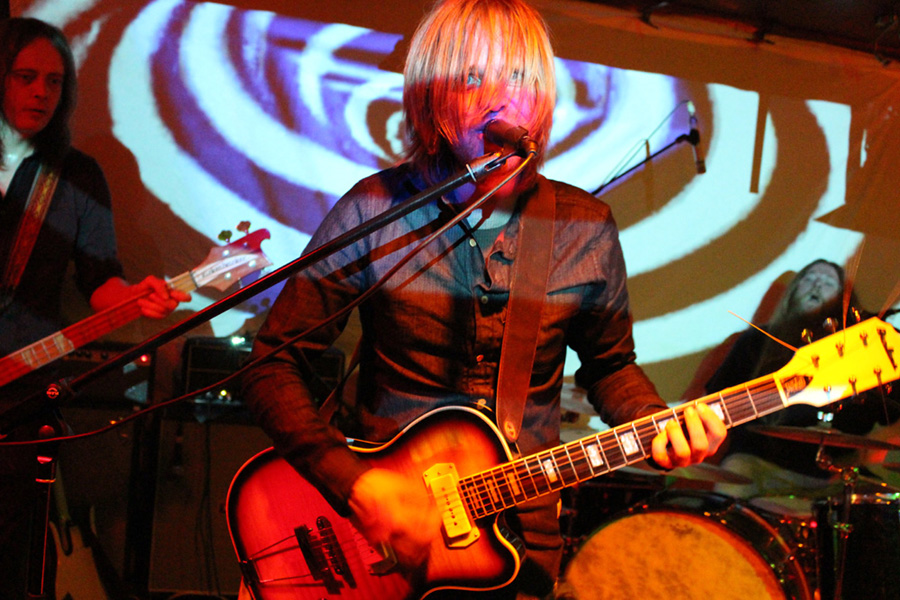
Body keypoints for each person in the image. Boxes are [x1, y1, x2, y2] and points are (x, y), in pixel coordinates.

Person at [241, 1, 726, 598]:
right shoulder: (373, 210)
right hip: (386, 541)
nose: (499, 100)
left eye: (518, 77)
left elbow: (611, 367)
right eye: (473, 78)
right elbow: (272, 363)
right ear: (432, 96)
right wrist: (352, 483)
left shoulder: (583, 225)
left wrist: (659, 425)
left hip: (523, 544)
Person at [0, 17, 190, 598]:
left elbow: (99, 280)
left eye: (54, 82)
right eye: (26, 77)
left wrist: (137, 298)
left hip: (22, 393)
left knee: (12, 552)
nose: (41, 92)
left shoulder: (76, 176)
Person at [705, 259, 900, 499]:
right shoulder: (754, 342)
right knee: (732, 482)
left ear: (843, 300)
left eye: (828, 282)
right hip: (754, 466)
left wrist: (873, 447)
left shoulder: (864, 352)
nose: (816, 285)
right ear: (793, 292)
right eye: (809, 278)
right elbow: (712, 404)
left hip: (836, 476)